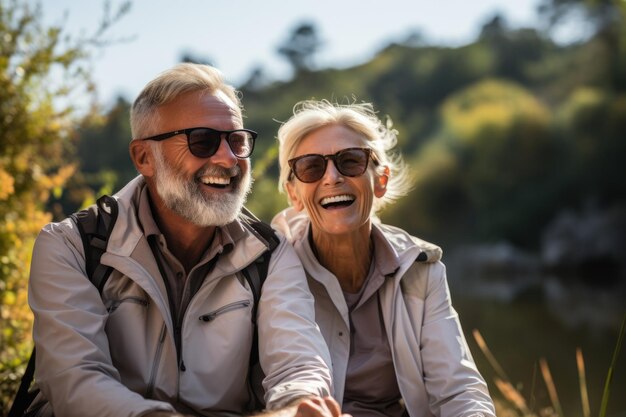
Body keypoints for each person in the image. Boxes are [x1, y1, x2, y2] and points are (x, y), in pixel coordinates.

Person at [27, 64, 342, 417]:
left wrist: (298, 408)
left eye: (236, 140)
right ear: (144, 157)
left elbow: (299, 364)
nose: (228, 159)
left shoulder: (271, 254)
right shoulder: (70, 246)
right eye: (202, 141)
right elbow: (77, 385)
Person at [271, 100, 496, 417]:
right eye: (311, 167)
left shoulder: (421, 269)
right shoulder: (271, 269)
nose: (332, 177)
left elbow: (458, 390)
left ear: (381, 180)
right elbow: (288, 387)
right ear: (294, 194)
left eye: (350, 161)